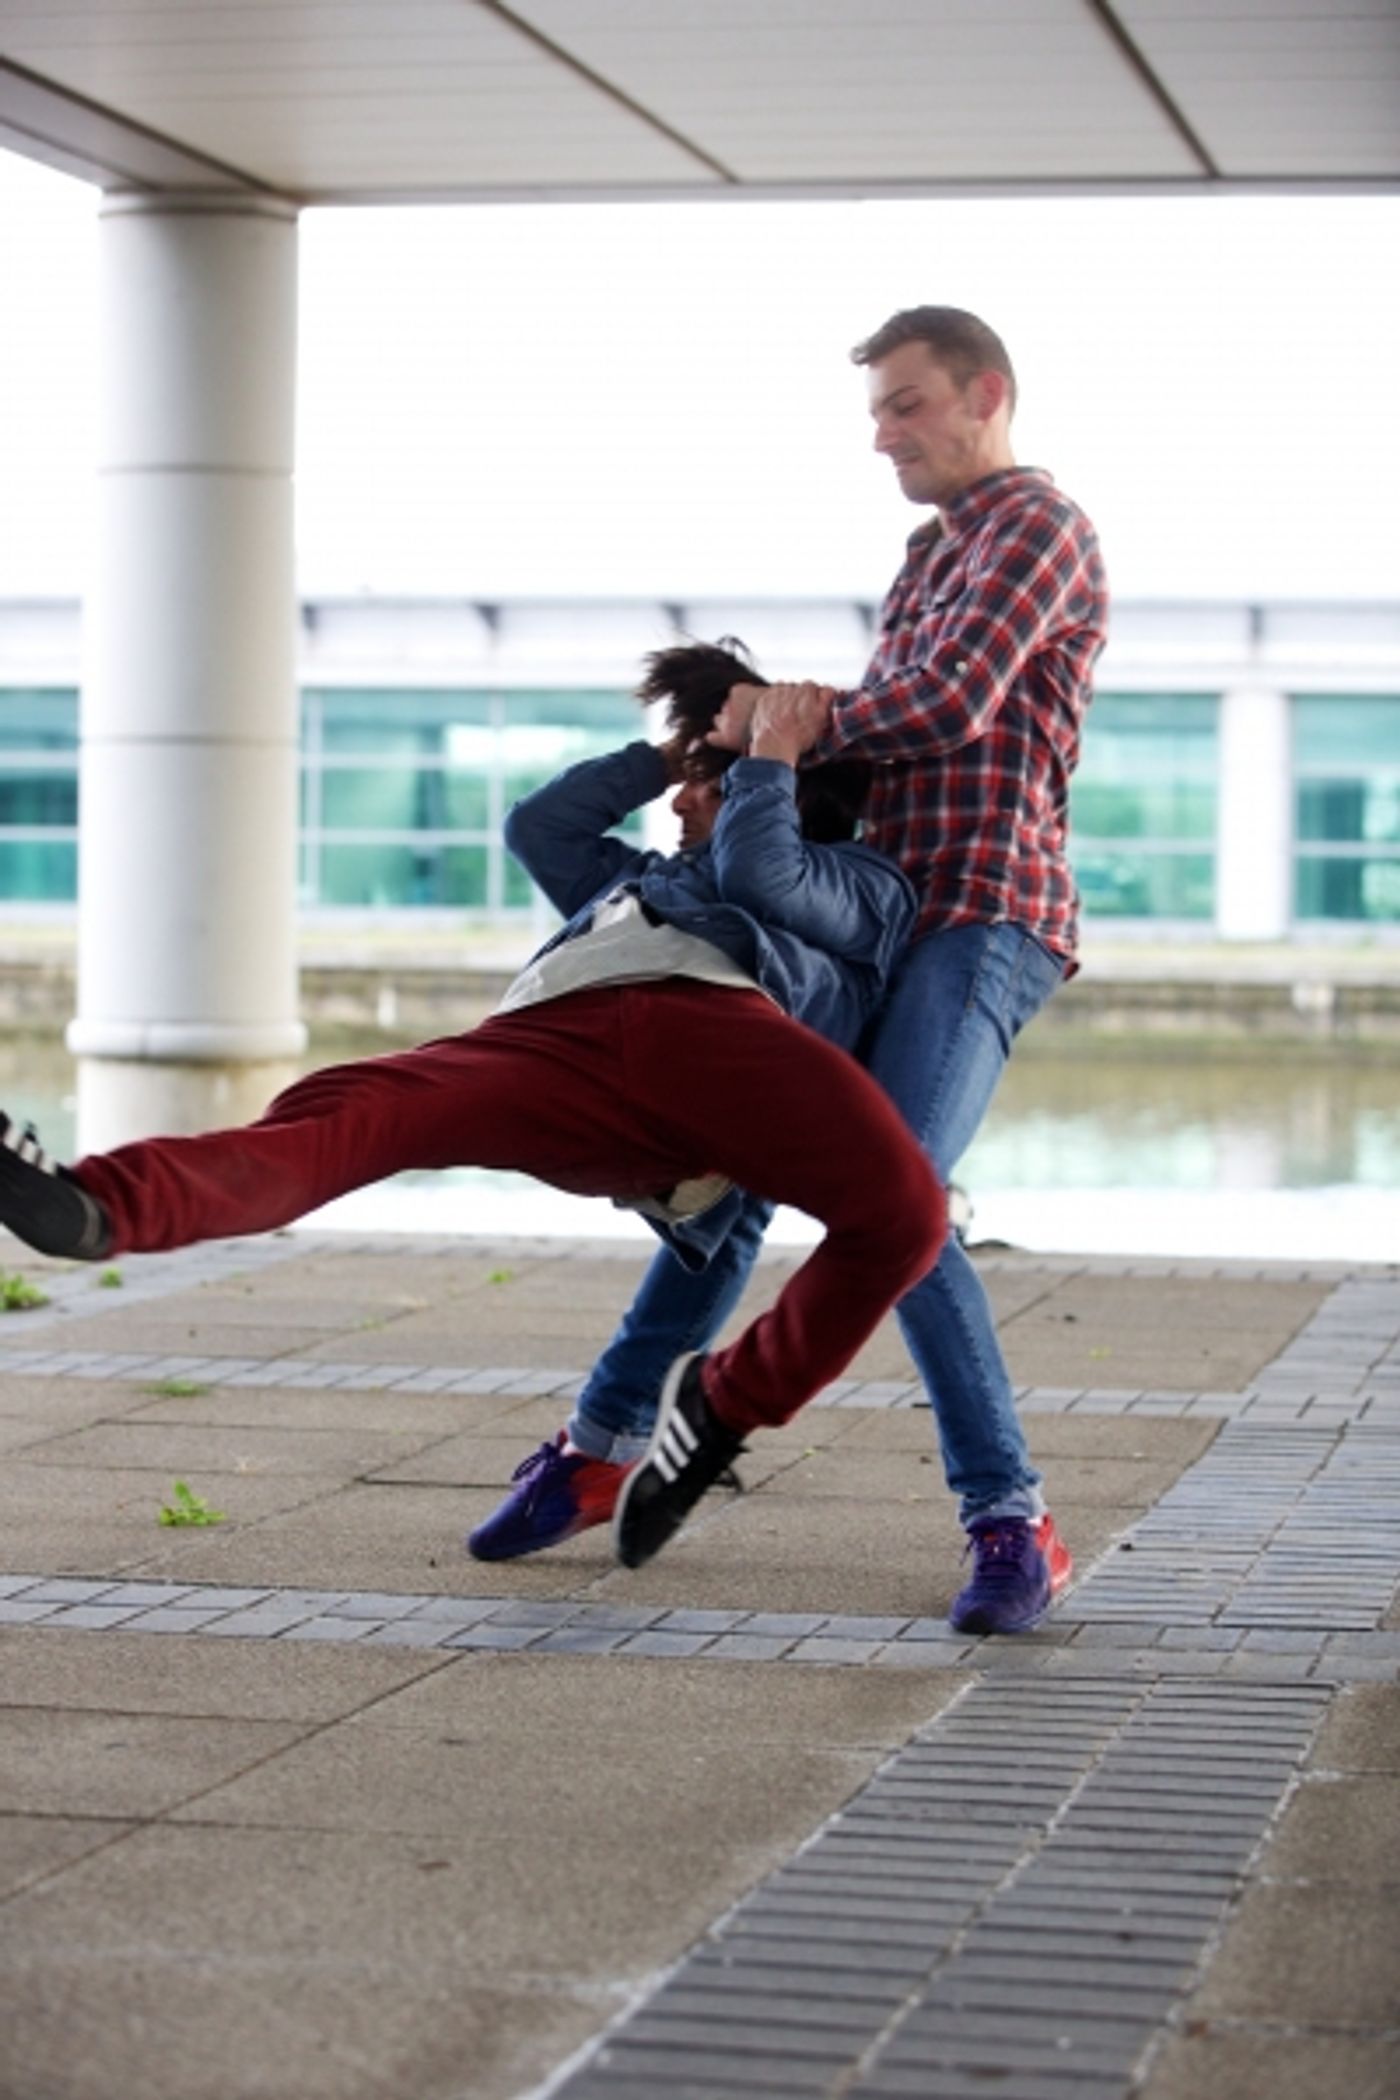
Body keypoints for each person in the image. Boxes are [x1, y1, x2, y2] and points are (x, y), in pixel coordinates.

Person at [0, 643, 945, 1570]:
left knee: (904, 1214)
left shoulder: (865, 887)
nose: (681, 800)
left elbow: (761, 877)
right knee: (351, 1107)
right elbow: (541, 828)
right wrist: (681, 747)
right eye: (693, 780)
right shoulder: (636, 881)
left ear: (794, 792)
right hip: (553, 1044)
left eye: (707, 782)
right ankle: (100, 1207)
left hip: (725, 1034)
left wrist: (766, 756)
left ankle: (724, 1405)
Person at [476, 306, 1110, 1636]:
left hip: (980, 919)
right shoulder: (927, 551)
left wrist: (771, 730)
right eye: (876, 412)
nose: (885, 436)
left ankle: (1013, 1523)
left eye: (907, 405)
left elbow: (945, 705)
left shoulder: (1036, 528)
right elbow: (864, 758)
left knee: (902, 1202)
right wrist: (742, 761)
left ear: (987, 393)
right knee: (744, 1184)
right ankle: (598, 1449)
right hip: (867, 917)